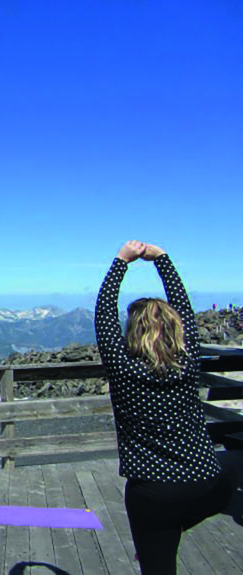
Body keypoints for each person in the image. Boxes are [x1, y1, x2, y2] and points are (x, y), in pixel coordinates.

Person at [94, 240, 237, 574]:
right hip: (206, 484)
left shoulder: (122, 367)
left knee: (158, 559)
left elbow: (103, 314)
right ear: (177, 329)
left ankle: (157, 541)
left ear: (132, 333)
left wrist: (120, 261)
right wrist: (161, 259)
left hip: (151, 494)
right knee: (234, 464)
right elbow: (184, 307)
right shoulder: (188, 363)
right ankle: (166, 534)